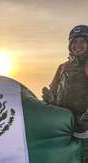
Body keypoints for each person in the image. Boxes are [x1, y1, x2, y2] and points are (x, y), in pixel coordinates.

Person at [42, 25, 88, 162]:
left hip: (84, 129)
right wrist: (50, 101)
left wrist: (84, 123)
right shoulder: (63, 67)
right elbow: (54, 92)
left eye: (82, 41)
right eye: (74, 41)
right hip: (63, 127)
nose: (78, 45)